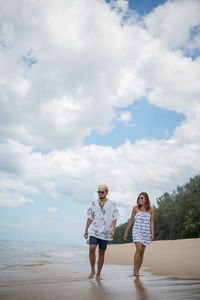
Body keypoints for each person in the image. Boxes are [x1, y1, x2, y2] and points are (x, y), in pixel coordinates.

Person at [84, 184, 119, 280]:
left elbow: (115, 217)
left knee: (101, 252)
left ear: (106, 193)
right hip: (94, 230)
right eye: (98, 192)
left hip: (106, 232)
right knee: (92, 248)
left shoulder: (112, 204)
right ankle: (92, 270)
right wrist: (86, 230)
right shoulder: (94, 203)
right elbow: (90, 217)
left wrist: (113, 229)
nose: (100, 193)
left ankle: (98, 273)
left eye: (102, 192)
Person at [123, 192, 154, 276]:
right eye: (139, 198)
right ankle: (135, 271)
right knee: (139, 249)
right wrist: (126, 232)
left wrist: (152, 233)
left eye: (142, 198)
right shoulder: (135, 208)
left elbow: (151, 222)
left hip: (146, 232)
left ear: (146, 199)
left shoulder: (151, 209)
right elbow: (131, 220)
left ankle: (137, 271)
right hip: (136, 231)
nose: (140, 199)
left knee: (142, 252)